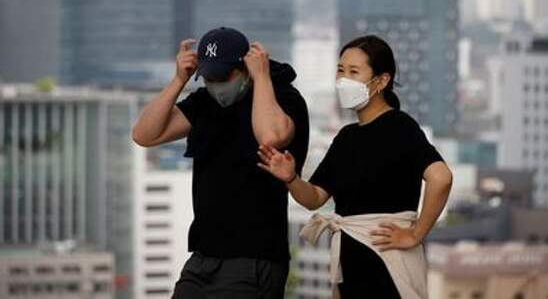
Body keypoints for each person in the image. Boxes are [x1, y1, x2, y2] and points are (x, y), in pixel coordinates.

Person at [257, 35, 453, 298]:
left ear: (382, 80)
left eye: (353, 72)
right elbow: (315, 198)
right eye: (340, 70)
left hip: (387, 263)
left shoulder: (400, 126)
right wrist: (291, 178)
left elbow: (441, 177)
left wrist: (415, 234)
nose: (343, 80)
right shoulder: (346, 137)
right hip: (351, 266)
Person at [132, 27, 309, 299]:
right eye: (209, 77)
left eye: (223, 75)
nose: (216, 84)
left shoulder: (283, 98)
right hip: (203, 257)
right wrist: (179, 80)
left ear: (245, 67)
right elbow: (144, 134)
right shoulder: (205, 102)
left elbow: (270, 137)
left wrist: (261, 76)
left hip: (253, 258)